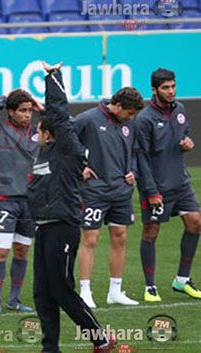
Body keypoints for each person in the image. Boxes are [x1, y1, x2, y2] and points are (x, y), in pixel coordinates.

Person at [29, 61, 116, 353]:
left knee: (61, 289)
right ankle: (50, 348)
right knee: (42, 293)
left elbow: (60, 116)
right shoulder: (44, 156)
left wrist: (52, 78)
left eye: (39, 130)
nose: (36, 135)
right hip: (43, 228)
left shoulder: (68, 150)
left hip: (62, 227)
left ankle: (100, 338)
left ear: (49, 133)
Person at [74, 87, 145, 308]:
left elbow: (134, 151)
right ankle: (85, 291)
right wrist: (80, 167)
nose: (131, 118)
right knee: (91, 239)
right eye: (130, 113)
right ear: (119, 106)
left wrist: (133, 170)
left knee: (120, 237)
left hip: (121, 191)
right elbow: (65, 142)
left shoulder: (129, 124)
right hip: (94, 191)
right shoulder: (87, 119)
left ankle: (115, 291)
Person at [135, 68, 201, 301]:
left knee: (195, 223)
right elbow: (140, 158)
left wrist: (187, 144)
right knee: (151, 232)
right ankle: (150, 286)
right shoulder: (144, 119)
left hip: (180, 182)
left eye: (173, 86)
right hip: (157, 186)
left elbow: (184, 135)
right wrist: (151, 191)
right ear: (154, 90)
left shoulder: (180, 110)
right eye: (165, 88)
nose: (171, 91)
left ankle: (182, 280)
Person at [0, 90, 43, 315]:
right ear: (11, 112)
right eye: (23, 110)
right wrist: (7, 96)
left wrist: (42, 107)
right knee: (1, 252)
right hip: (5, 200)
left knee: (22, 251)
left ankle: (14, 300)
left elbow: (67, 124)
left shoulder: (39, 133)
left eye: (30, 110)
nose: (28, 115)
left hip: (30, 202)